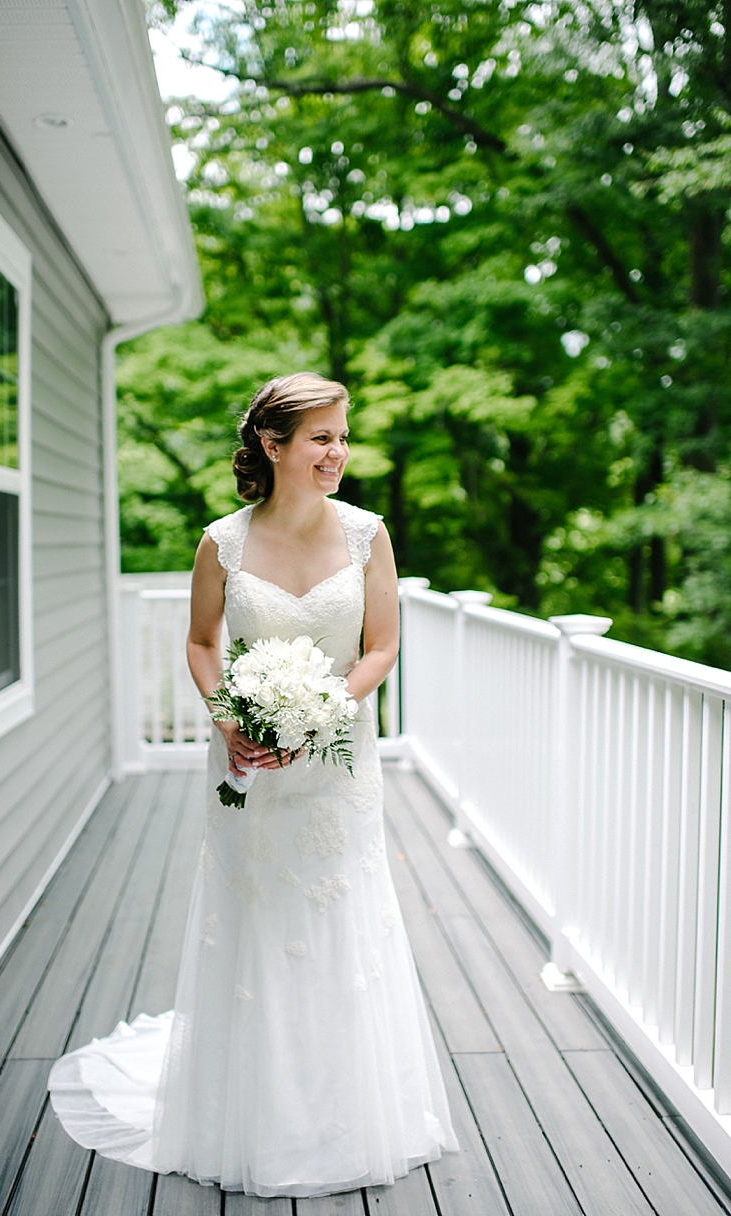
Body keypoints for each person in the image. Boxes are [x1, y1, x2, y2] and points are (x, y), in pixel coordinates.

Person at [47, 373, 457, 1197]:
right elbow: (202, 643)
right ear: (273, 447)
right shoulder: (222, 543)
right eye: (322, 438)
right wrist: (228, 716)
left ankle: (345, 1104)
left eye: (343, 436)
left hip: (338, 758)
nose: (339, 452)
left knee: (338, 907)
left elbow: (381, 645)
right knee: (260, 912)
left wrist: (324, 712)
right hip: (249, 759)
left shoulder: (368, 535)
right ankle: (256, 1110)